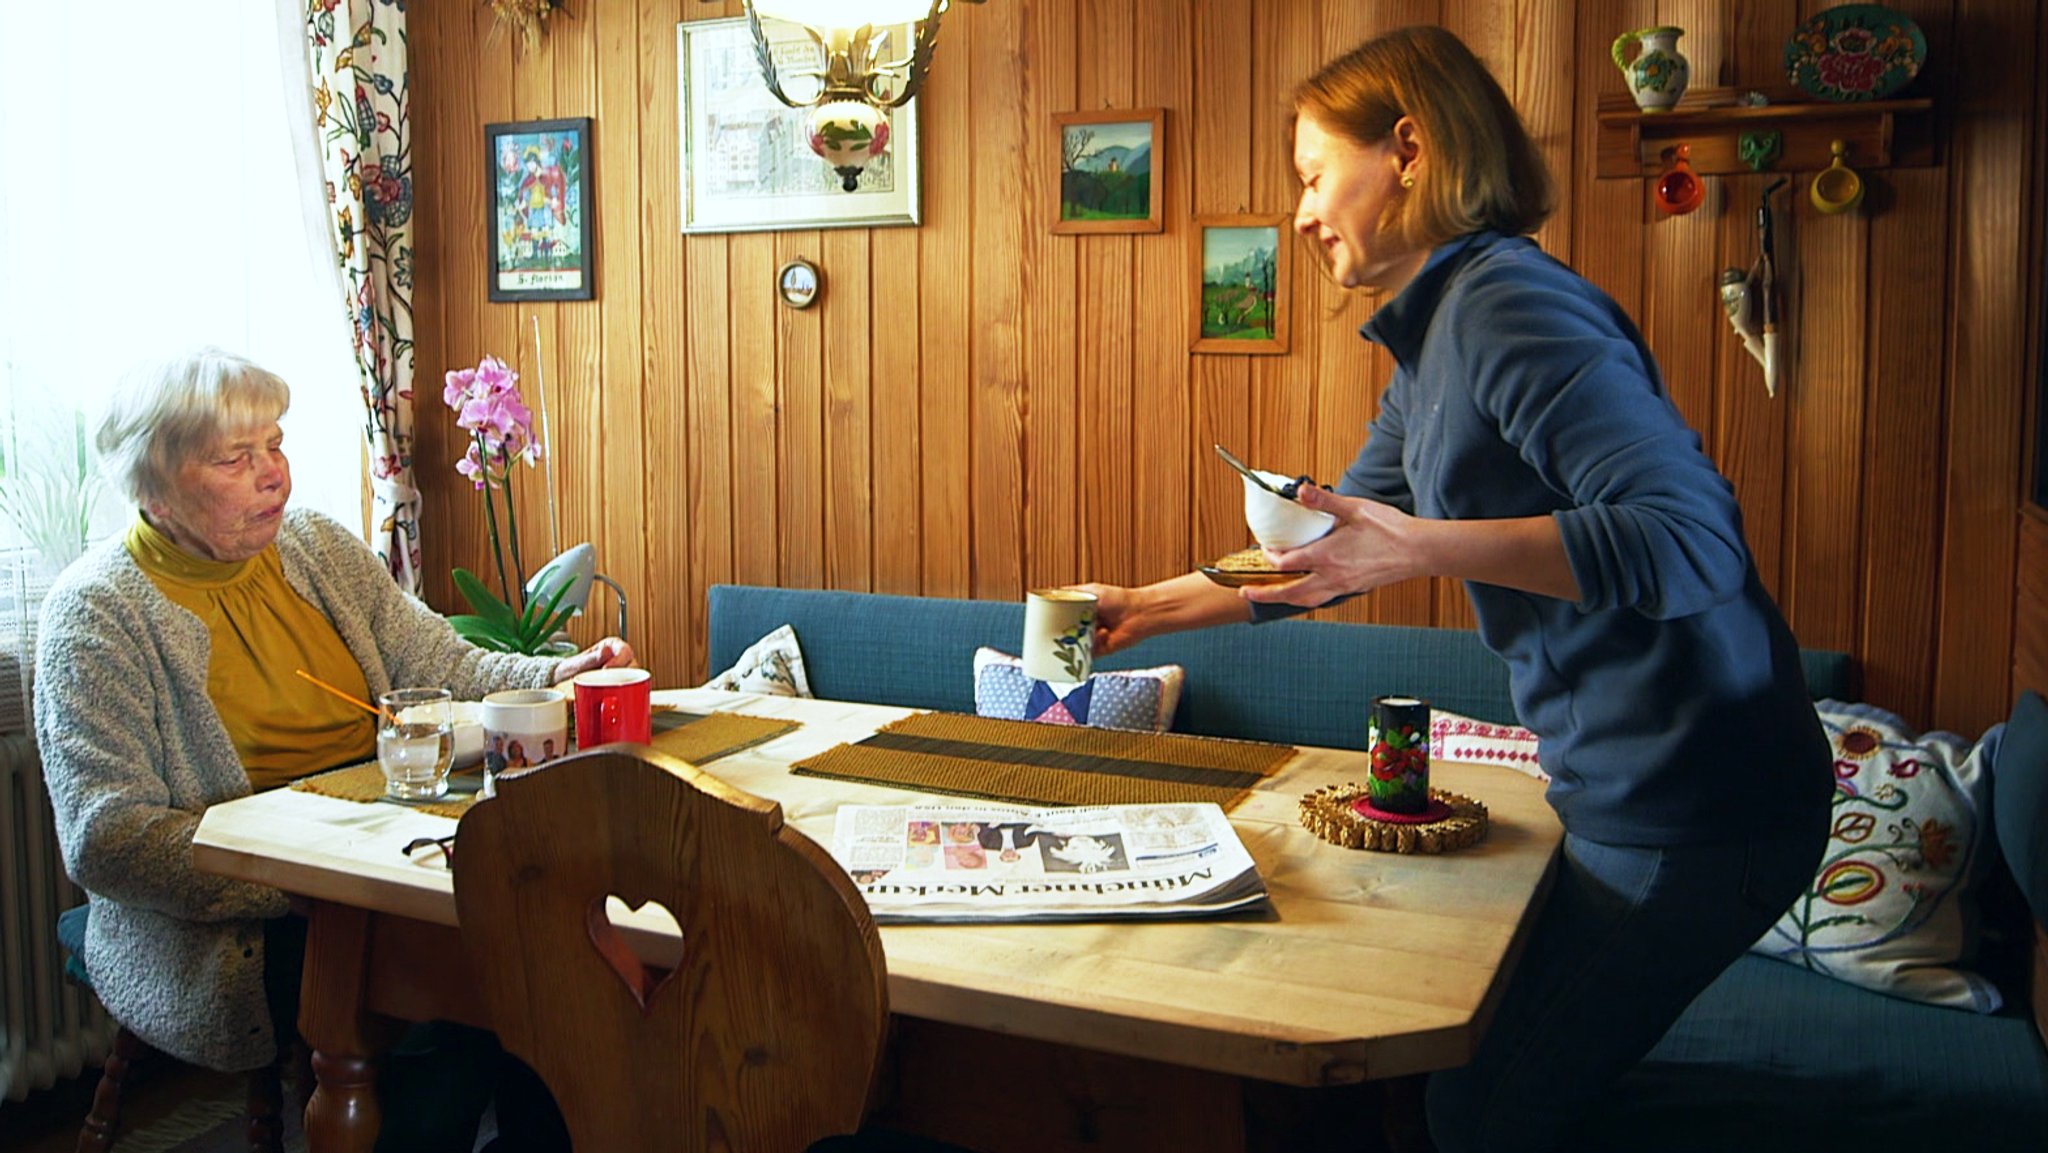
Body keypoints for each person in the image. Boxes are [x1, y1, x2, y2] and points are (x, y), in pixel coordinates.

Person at [1077, 26, 1831, 1153]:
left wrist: (1422, 547)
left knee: (1480, 1109)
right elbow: (1329, 549)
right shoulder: (1433, 342)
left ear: (1409, 149)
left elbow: (1690, 545)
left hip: (1700, 802)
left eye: (1312, 175)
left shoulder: (1505, 304)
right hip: (1623, 790)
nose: (1300, 214)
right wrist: (1146, 603)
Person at [33, 348, 630, 1151]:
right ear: (154, 486)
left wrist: (558, 672)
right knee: (450, 1010)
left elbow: (443, 663)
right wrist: (296, 873)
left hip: (390, 856)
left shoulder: (313, 545)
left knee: (566, 965)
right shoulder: (96, 613)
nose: (273, 475)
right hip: (240, 920)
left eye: (275, 446)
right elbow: (108, 840)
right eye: (235, 459)